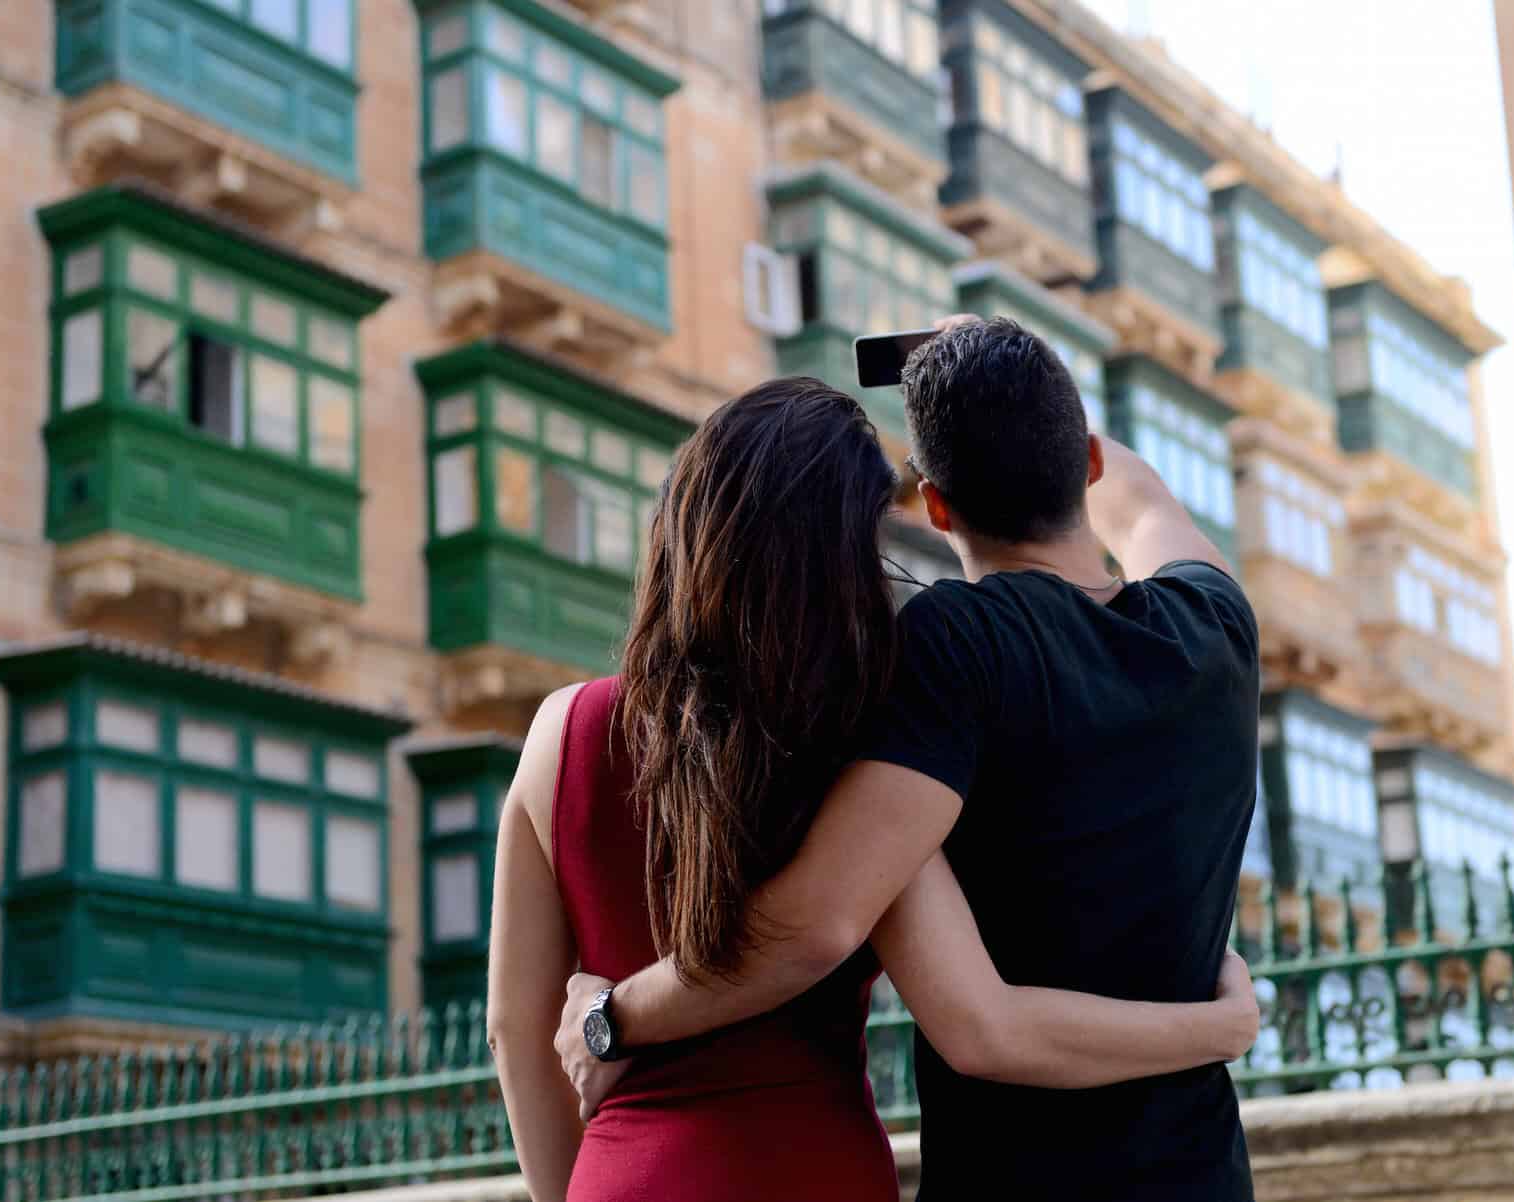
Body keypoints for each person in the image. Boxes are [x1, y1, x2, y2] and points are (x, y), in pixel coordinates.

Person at [488, 373, 1262, 1202]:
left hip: (626, 1173)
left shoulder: (559, 734)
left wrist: (588, 1156)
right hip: (820, 1170)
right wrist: (1216, 1027)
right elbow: (944, 999)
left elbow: (512, 1027)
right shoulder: (849, 745)